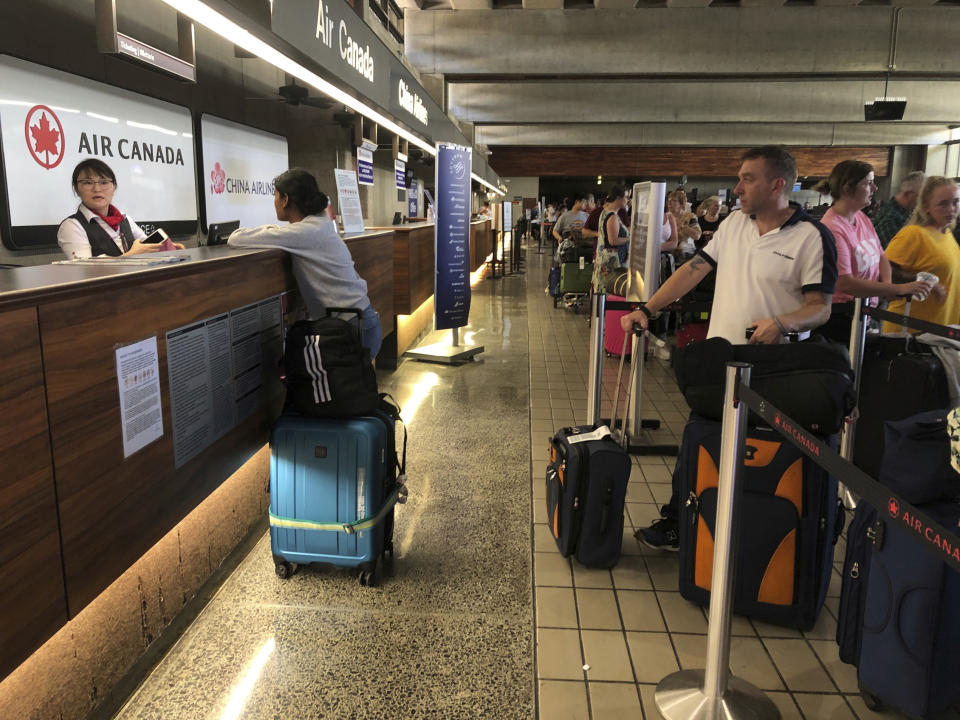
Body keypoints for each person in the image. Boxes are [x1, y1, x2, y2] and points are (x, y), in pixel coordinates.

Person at [620, 145, 838, 550]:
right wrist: (647, 308)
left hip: (776, 371)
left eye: (747, 179)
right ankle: (680, 522)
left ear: (778, 184)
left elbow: (820, 308)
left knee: (762, 456)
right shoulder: (734, 225)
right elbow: (692, 270)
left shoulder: (812, 237)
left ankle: (756, 535)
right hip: (722, 362)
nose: (737, 188)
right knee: (699, 441)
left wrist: (781, 323)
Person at [228, 168, 382, 360]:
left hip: (350, 327)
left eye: (275, 196)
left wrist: (272, 228)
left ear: (285, 200)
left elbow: (236, 239)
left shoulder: (305, 232)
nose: (274, 202)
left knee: (343, 390)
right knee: (354, 388)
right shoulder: (318, 224)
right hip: (361, 321)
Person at [815, 160, 932, 345]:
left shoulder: (861, 217)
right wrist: (896, 288)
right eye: (868, 183)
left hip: (864, 312)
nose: (875, 188)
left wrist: (887, 286)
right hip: (840, 317)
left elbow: (881, 256)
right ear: (847, 188)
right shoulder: (832, 228)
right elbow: (845, 283)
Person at [57, 158, 183, 259]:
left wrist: (163, 250)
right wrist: (131, 255)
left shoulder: (124, 218)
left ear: (114, 187)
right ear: (77, 189)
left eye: (104, 182)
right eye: (88, 183)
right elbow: (84, 271)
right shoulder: (72, 226)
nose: (97, 189)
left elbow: (145, 246)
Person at [883, 176, 960, 334]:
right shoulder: (914, 234)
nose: (952, 209)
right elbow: (884, 272)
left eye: (956, 202)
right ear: (926, 206)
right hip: (910, 333)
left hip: (940, 331)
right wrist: (925, 283)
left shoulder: (947, 235)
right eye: (943, 204)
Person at [874, 171, 925, 249]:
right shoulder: (892, 220)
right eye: (922, 197)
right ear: (909, 194)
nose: (923, 202)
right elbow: (896, 255)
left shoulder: (902, 213)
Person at [593, 186, 630, 292]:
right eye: (626, 197)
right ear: (618, 198)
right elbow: (612, 240)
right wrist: (629, 239)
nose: (627, 200)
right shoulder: (612, 216)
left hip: (604, 259)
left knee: (602, 293)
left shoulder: (605, 212)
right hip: (611, 263)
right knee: (609, 290)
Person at [666, 189, 701, 256]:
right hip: (668, 252)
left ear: (681, 204)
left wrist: (683, 227)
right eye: (669, 201)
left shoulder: (690, 216)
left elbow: (697, 236)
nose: (670, 203)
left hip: (685, 253)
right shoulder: (665, 217)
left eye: (674, 201)